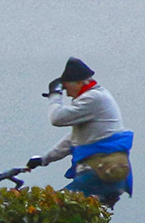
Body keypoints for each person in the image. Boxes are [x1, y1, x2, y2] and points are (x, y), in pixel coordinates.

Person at [26, 57, 135, 208]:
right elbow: (73, 140)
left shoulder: (93, 98)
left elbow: (56, 118)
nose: (68, 95)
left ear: (78, 83)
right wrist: (43, 159)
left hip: (100, 173)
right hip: (109, 173)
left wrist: (55, 95)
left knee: (52, 207)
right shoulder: (96, 98)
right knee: (70, 215)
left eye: (66, 89)